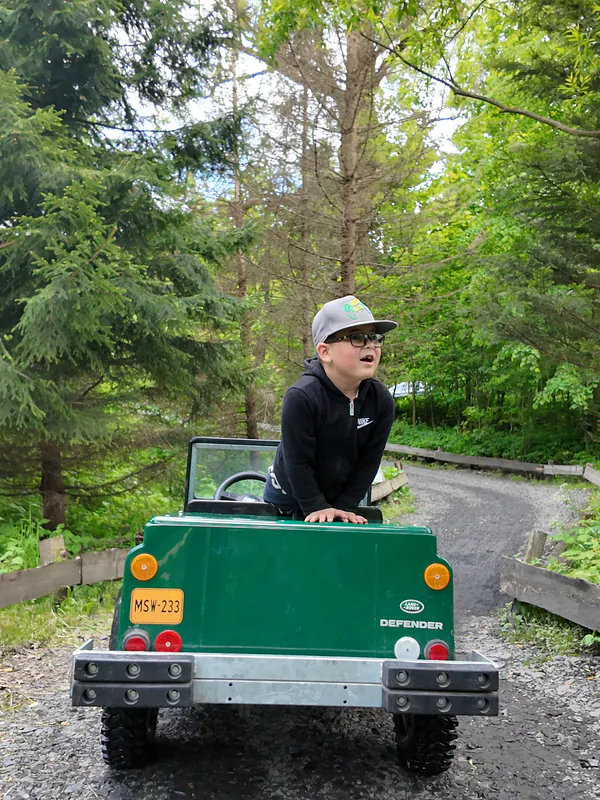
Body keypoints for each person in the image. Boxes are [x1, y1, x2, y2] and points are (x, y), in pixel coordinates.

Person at [263, 295, 397, 523]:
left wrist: (345, 507)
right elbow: (298, 461)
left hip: (341, 500)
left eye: (375, 338)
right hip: (287, 501)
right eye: (357, 337)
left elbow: (369, 462)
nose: (370, 346)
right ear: (325, 352)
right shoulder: (301, 397)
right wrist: (316, 506)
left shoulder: (381, 400)